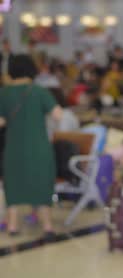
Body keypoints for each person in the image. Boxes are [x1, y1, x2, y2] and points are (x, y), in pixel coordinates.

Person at [0, 54, 62, 237]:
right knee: (42, 184)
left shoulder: (4, 92)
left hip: (13, 149)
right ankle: (47, 226)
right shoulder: (40, 91)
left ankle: (12, 226)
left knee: (13, 185)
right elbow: (58, 115)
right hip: (39, 148)